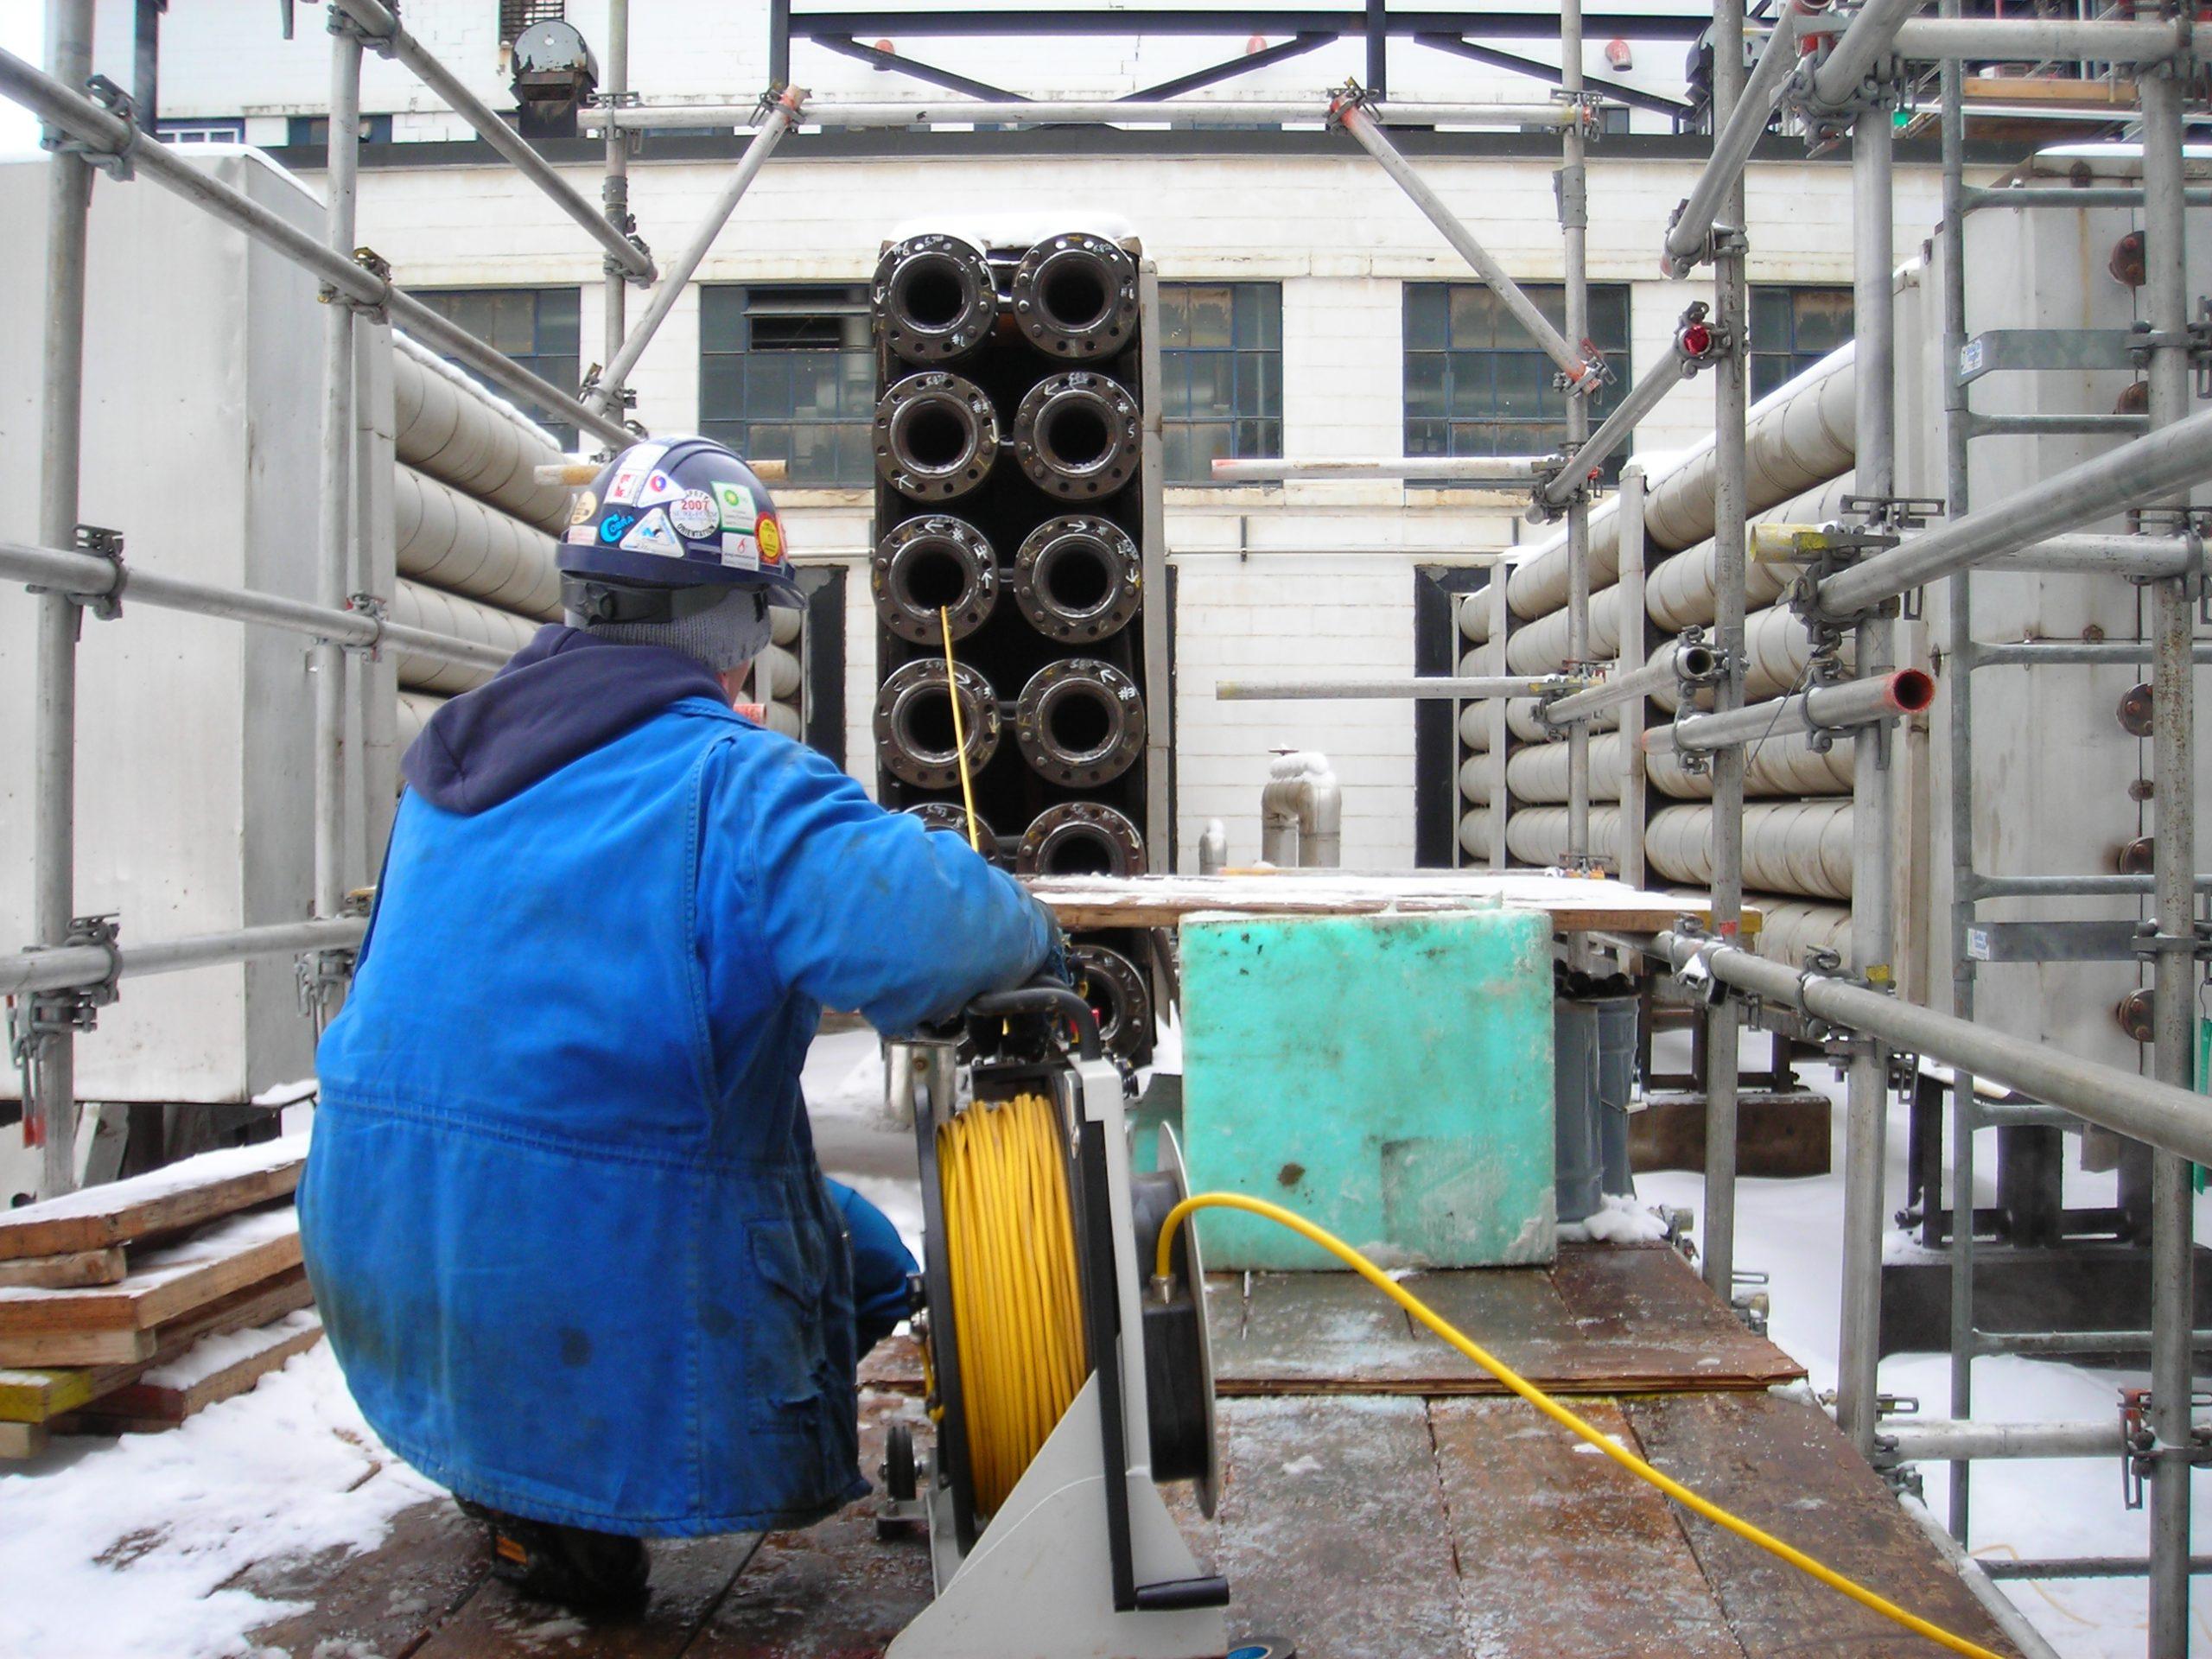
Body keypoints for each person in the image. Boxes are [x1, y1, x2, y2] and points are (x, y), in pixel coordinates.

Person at [299, 437, 1061, 1609]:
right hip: (577, 1265)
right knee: (853, 1268)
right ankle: (578, 1482)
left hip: (385, 1258)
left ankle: (519, 1480)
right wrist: (1039, 941)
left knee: (845, 1240)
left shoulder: (448, 770)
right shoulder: (734, 783)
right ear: (736, 630)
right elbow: (937, 935)